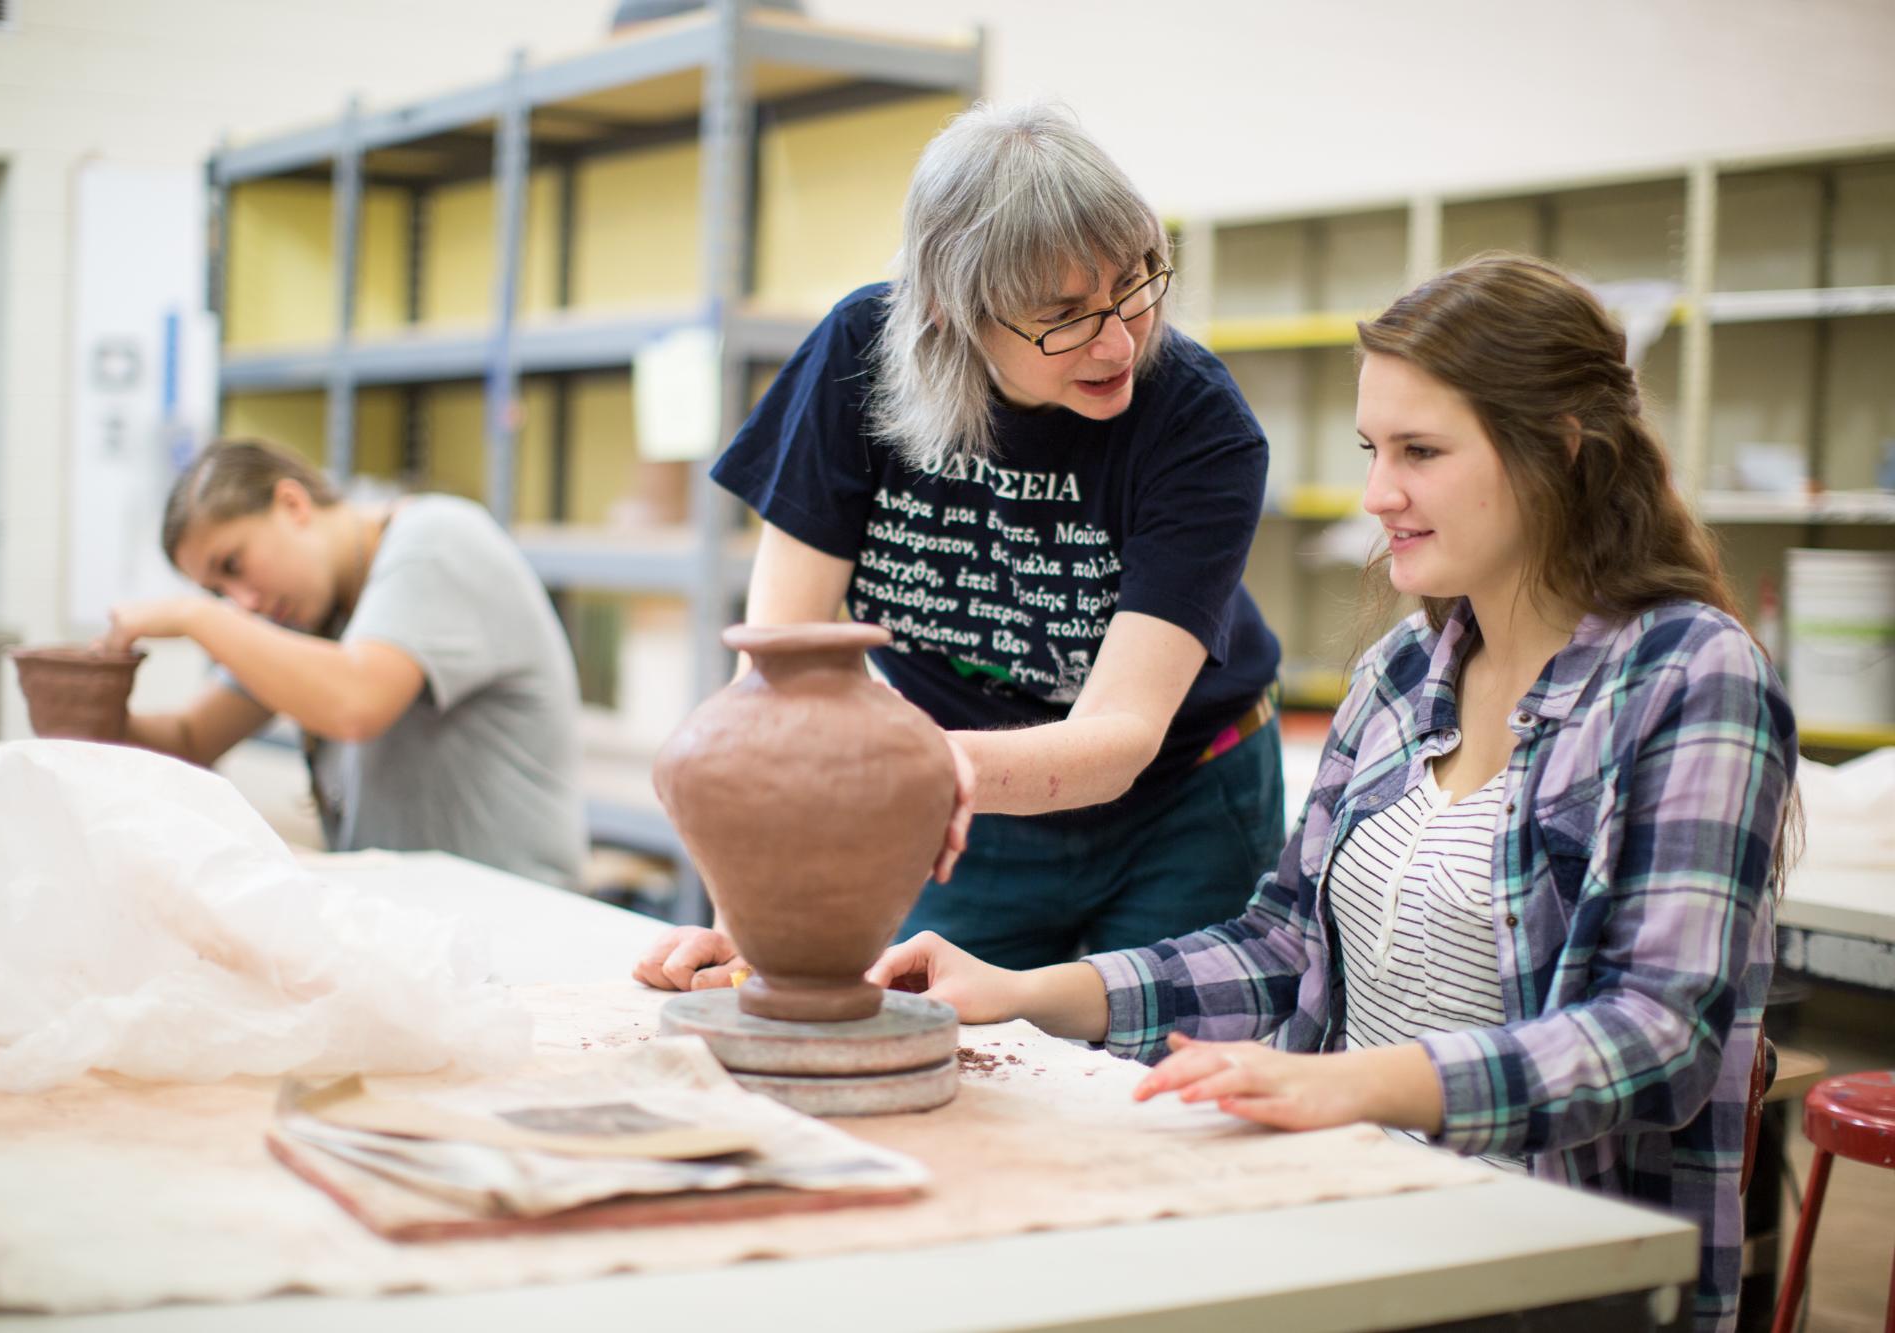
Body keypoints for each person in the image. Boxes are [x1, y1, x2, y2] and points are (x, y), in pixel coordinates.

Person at [861, 254, 1797, 1333]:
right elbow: (1284, 944)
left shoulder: (1687, 676)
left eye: (1420, 452)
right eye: (1370, 450)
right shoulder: (1404, 675)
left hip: (1552, 1269)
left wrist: (1357, 1084)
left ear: (1563, 450)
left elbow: (1656, 1038)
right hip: (1355, 1218)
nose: (1375, 494)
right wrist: (1022, 991)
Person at [637, 101, 1285, 988]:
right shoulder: (859, 360)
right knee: (934, 1038)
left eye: (1135, 285)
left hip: (1181, 801)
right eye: (1063, 315)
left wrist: (913, 766)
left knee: (1159, 1086)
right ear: (948, 307)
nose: (1118, 339)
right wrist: (742, 914)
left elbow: (1120, 735)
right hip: (965, 810)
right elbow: (776, 678)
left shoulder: (1200, 422)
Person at [100, 438, 587, 889]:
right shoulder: (300, 607)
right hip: (421, 926)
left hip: (517, 920)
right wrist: (90, 707)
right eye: (217, 592)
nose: (242, 601)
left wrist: (196, 615)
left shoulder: (436, 541)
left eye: (233, 565)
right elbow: (191, 738)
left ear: (293, 505)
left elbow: (355, 702)